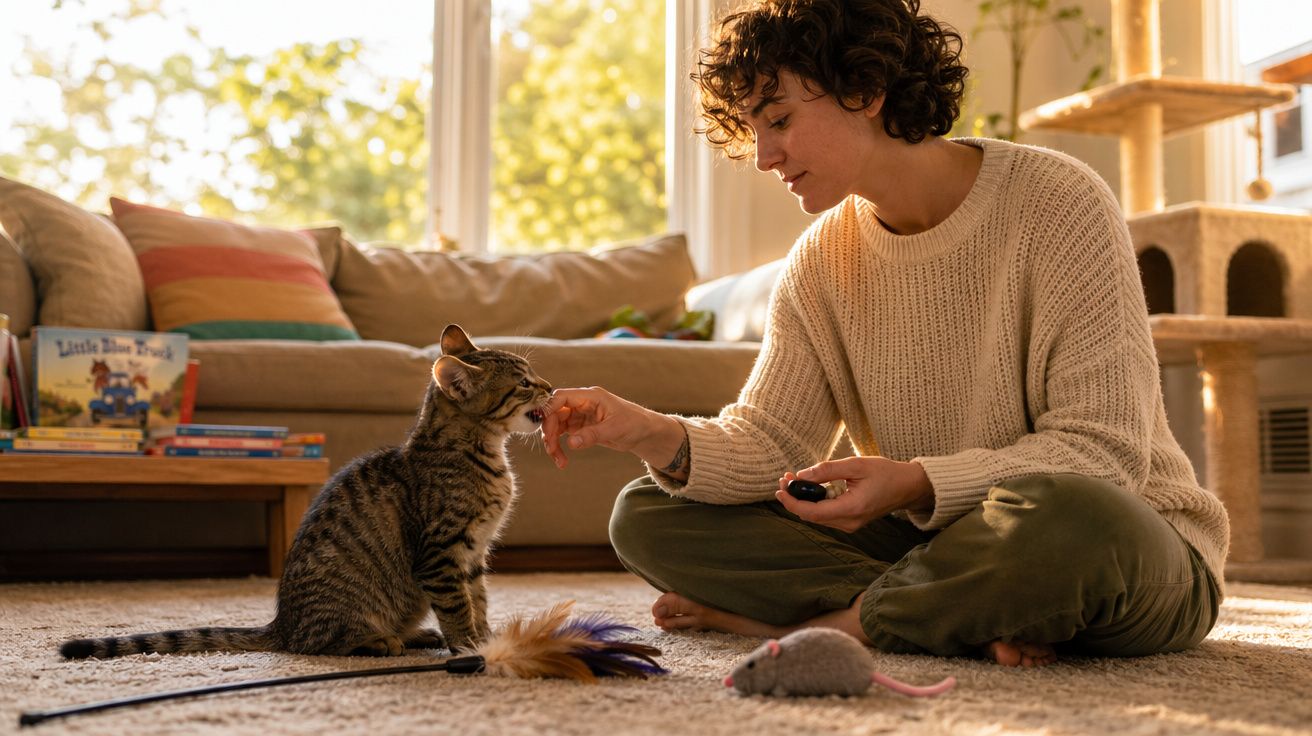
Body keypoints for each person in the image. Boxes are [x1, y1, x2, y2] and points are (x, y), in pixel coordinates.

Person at [539, 0, 1229, 667]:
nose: (764, 156)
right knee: (647, 513)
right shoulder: (819, 261)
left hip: (1122, 548)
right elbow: (772, 443)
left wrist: (914, 484)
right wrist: (649, 432)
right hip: (942, 549)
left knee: (1071, 514)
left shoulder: (1059, 202)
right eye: (754, 130)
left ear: (865, 90)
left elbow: (1104, 457)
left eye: (779, 119)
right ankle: (954, 613)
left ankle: (831, 625)